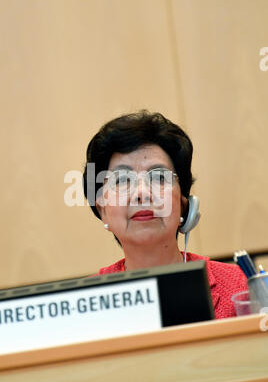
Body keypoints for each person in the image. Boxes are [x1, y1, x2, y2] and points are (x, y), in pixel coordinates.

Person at [83, 111, 248, 319]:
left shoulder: (241, 288)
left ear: (184, 203)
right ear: (102, 210)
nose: (142, 193)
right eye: (122, 180)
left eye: (159, 177)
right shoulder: (85, 305)